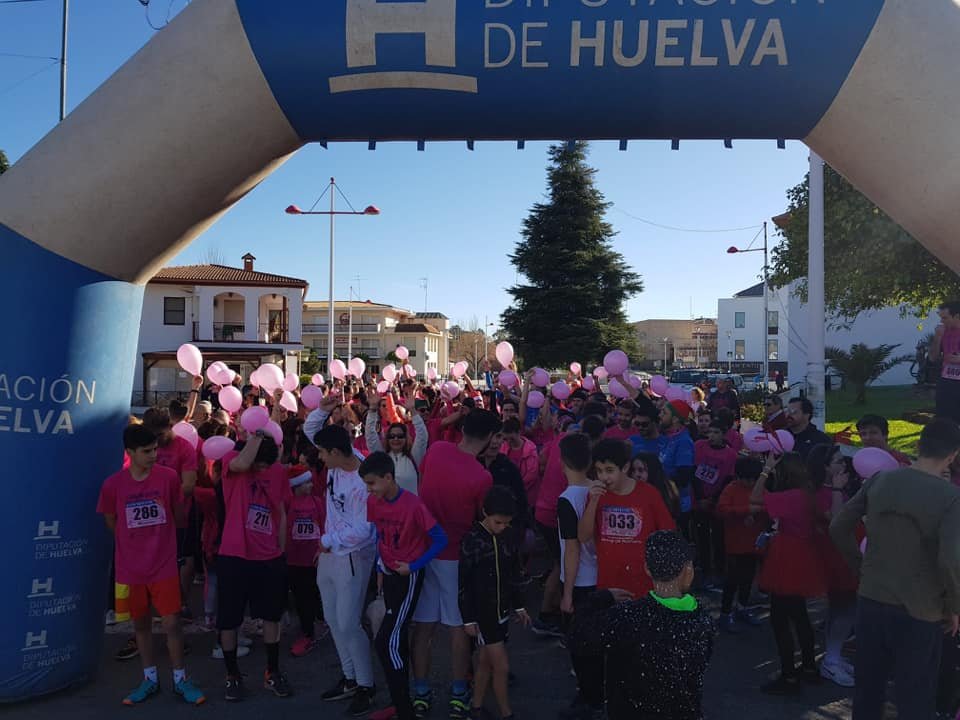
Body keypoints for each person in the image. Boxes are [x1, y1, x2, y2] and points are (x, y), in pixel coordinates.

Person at [831, 418, 960, 720]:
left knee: (867, 691)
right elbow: (950, 560)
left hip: (872, 599)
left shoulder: (880, 481)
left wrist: (860, 568)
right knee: (915, 696)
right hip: (921, 610)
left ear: (917, 446)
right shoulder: (951, 498)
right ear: (953, 456)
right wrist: (954, 607)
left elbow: (838, 527)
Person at [96, 424, 206, 705]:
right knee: (141, 624)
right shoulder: (113, 485)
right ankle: (149, 679)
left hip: (164, 564)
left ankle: (181, 679)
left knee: (171, 623)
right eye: (147, 451)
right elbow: (111, 521)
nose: (154, 455)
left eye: (155, 449)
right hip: (130, 568)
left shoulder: (169, 478)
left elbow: (179, 514)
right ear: (130, 452)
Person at [413, 410, 501, 720]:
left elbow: (423, 486)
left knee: (423, 626)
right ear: (490, 438)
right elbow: (482, 516)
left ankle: (420, 692)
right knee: (458, 628)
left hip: (423, 549)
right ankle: (458, 692)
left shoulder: (437, 450)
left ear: (462, 428)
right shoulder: (482, 476)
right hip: (454, 556)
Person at [360, 452, 449, 720]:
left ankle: (404, 708)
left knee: (387, 640)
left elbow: (440, 540)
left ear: (389, 478)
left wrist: (413, 566)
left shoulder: (413, 506)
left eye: (373, 483)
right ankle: (400, 704)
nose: (369, 490)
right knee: (391, 643)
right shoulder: (373, 501)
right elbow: (379, 535)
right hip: (388, 574)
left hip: (407, 576)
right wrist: (379, 567)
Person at [599, 530, 715, 720]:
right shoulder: (703, 622)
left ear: (647, 569)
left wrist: (601, 598)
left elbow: (579, 636)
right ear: (688, 571)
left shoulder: (625, 615)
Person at [308, 419, 378, 716]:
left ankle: (366, 685)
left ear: (336, 452)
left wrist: (328, 539)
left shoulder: (365, 478)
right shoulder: (336, 466)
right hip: (329, 553)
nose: (320, 459)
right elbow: (311, 433)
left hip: (352, 556)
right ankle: (350, 679)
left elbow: (366, 529)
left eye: (323, 453)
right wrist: (321, 411)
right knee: (333, 620)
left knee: (349, 623)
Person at [217, 432, 292, 701]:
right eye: (260, 465)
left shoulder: (276, 471)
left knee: (271, 616)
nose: (262, 470)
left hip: (268, 557)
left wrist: (281, 549)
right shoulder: (233, 462)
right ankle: (232, 676)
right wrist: (257, 437)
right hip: (234, 555)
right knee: (228, 620)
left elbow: (281, 511)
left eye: (266, 466)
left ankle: (272, 671)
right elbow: (241, 464)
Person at [750, 452, 826, 695]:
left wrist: (764, 471)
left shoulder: (791, 496)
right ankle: (809, 667)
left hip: (787, 556)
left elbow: (755, 498)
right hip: (802, 553)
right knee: (800, 614)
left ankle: (788, 675)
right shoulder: (806, 494)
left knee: (780, 619)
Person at [459, 486, 530, 720]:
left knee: (486, 664)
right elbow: (464, 584)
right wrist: (468, 618)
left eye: (506, 523)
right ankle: (506, 713)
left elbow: (513, 574)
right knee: (501, 667)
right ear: (485, 513)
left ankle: (476, 709)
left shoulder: (508, 536)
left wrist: (519, 606)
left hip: (501, 612)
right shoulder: (472, 540)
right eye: (498, 522)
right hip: (483, 615)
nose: (502, 528)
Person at [579, 439, 676, 600]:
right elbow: (583, 536)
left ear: (624, 467)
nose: (603, 477)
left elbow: (668, 536)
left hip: (645, 585)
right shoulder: (596, 495)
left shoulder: (649, 494)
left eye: (609, 470)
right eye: (599, 470)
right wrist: (593, 502)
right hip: (609, 585)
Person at [556, 434, 602, 719]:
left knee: (580, 646)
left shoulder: (567, 499)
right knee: (598, 643)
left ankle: (590, 699)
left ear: (563, 462)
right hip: (601, 576)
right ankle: (597, 693)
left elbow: (571, 548)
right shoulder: (597, 490)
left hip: (580, 580)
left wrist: (567, 592)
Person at [715, 457, 766, 633]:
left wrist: (760, 512)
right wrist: (745, 511)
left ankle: (743, 607)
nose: (750, 482)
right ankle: (725, 612)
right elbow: (721, 510)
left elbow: (768, 506)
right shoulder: (731, 489)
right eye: (746, 478)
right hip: (735, 544)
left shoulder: (760, 490)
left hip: (753, 543)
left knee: (748, 578)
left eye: (753, 478)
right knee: (732, 580)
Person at [284, 465, 325, 658]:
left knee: (316, 593)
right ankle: (307, 631)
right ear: (296, 485)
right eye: (306, 482)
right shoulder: (288, 503)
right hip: (294, 560)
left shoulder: (318, 503)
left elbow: (325, 526)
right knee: (301, 598)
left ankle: (318, 624)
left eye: (310, 481)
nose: (310, 485)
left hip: (314, 558)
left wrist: (322, 550)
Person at [692, 420, 738, 589]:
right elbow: (694, 472)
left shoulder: (731, 455)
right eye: (709, 432)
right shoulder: (699, 446)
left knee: (719, 538)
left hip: (718, 502)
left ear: (724, 435)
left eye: (716, 432)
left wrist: (714, 499)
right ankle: (705, 571)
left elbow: (728, 479)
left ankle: (719, 571)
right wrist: (700, 497)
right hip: (700, 499)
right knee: (702, 538)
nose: (711, 436)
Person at [365, 387, 429, 495]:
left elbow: (422, 436)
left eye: (400, 436)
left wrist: (413, 411)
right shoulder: (382, 457)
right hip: (387, 510)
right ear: (387, 438)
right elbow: (370, 436)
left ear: (406, 438)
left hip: (409, 509)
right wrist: (372, 409)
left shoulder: (414, 457)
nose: (396, 439)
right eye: (392, 436)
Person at [659, 400, 696, 534]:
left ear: (674, 419)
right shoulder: (669, 437)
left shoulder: (683, 442)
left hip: (677, 504)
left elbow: (683, 476)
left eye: (664, 413)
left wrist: (657, 479)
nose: (660, 415)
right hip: (666, 499)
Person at [930, 301, 960, 424]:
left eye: (945, 318)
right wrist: (937, 338)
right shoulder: (943, 332)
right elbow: (932, 357)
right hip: (947, 384)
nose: (942, 321)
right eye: (941, 318)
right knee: (945, 422)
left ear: (957, 316)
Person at [501, 417, 540, 509]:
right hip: (508, 496)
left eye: (512, 439)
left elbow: (532, 476)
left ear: (519, 432)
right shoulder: (503, 447)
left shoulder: (531, 450)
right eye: (506, 439)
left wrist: (515, 489)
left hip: (527, 497)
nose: (509, 442)